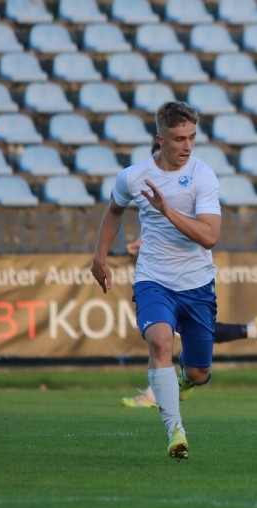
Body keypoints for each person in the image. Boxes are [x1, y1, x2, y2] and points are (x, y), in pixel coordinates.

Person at [91, 101, 221, 462]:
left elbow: (210, 237)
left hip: (197, 285)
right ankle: (175, 430)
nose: (187, 146)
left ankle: (183, 379)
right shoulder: (133, 177)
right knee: (160, 339)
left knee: (198, 371)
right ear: (160, 138)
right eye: (179, 139)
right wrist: (99, 256)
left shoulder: (203, 176)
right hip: (153, 279)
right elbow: (114, 209)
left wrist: (168, 211)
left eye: (192, 138)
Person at [121, 237, 257, 409]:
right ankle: (252, 330)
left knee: (179, 333)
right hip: (178, 276)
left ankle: (157, 392)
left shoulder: (192, 216)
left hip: (189, 278)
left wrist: (144, 241)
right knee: (166, 335)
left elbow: (180, 223)